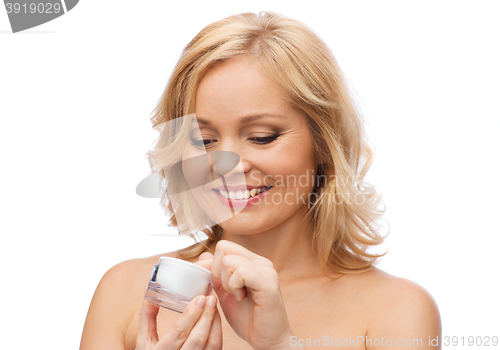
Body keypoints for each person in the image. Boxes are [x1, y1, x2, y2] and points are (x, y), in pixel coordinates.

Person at [80, 12, 441, 350]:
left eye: (262, 136)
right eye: (204, 141)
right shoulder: (128, 291)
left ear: (323, 143)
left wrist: (282, 344)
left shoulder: (397, 311)